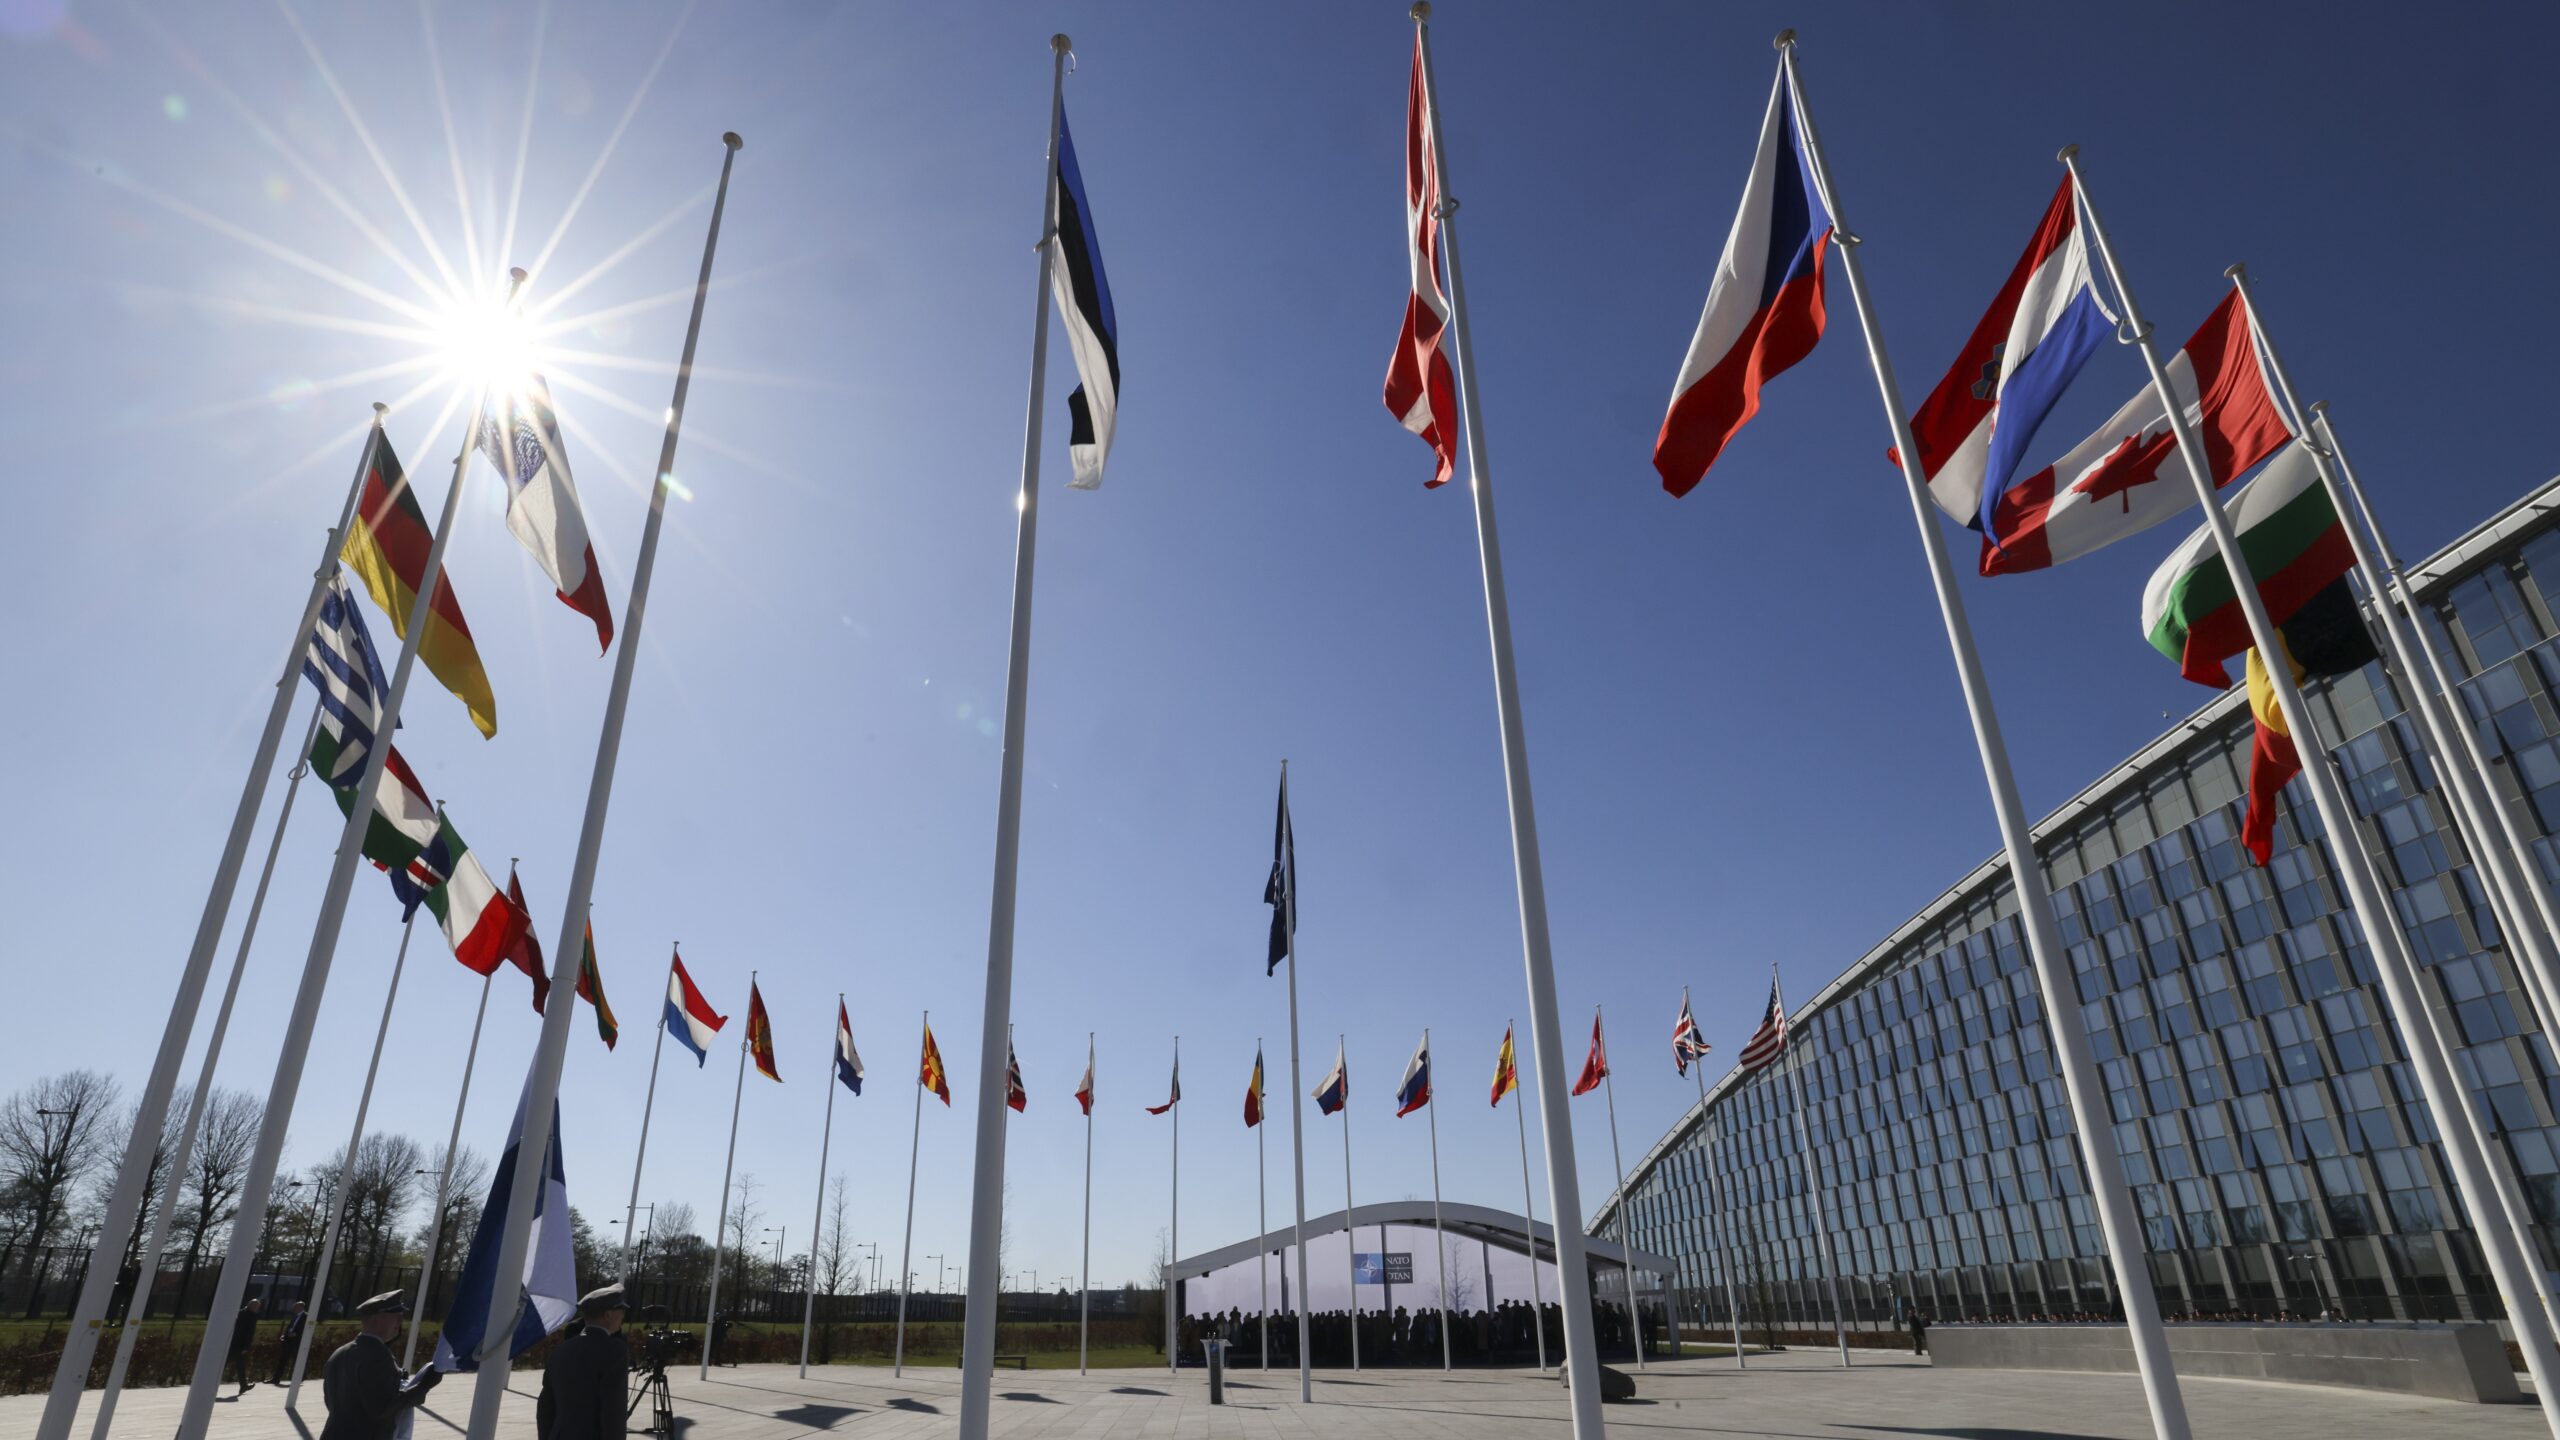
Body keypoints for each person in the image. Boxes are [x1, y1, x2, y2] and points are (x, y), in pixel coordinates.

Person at [318, 1291, 440, 1440]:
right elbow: (383, 1407)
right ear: (376, 1319)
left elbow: (331, 1402)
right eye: (396, 1317)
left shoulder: (340, 1353)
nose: (400, 1322)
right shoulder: (377, 1355)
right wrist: (423, 1386)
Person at [537, 1284, 631, 1440]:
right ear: (608, 1315)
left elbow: (546, 1406)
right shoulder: (614, 1350)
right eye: (621, 1312)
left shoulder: (561, 1350)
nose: (622, 1317)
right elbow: (613, 1410)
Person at [228, 1297, 264, 1394]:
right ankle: (243, 1385)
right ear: (249, 1305)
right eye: (255, 1306)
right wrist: (245, 1346)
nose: (257, 1308)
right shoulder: (245, 1315)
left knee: (240, 1365)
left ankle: (243, 1385)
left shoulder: (246, 1314)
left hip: (237, 1344)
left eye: (258, 1306)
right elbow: (247, 1332)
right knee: (231, 1364)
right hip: (238, 1344)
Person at [272, 1301, 310, 1385]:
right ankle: (276, 1378)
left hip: (297, 1343)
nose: (293, 1309)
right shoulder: (295, 1316)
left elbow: (307, 1329)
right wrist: (285, 1335)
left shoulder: (306, 1316)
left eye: (295, 1307)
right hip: (288, 1342)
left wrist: (296, 1334)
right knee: (283, 1360)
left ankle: (301, 1377)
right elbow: (291, 1327)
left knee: (297, 1361)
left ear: (301, 1307)